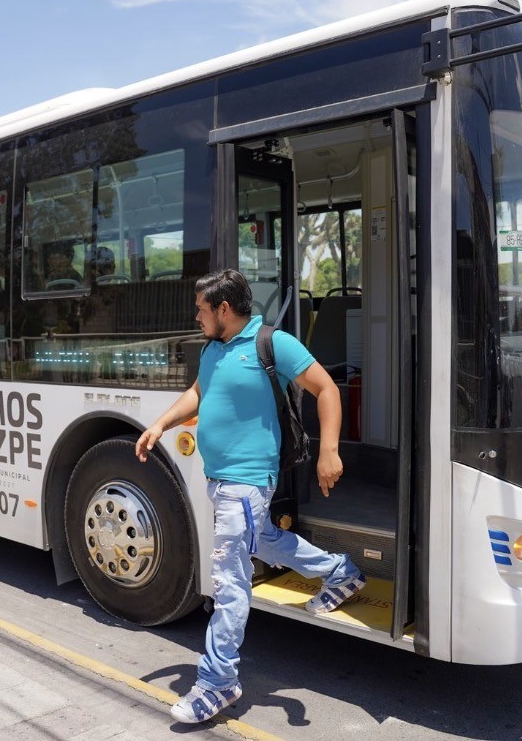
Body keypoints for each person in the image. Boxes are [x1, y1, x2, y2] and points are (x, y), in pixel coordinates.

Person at [135, 269, 365, 725]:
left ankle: (218, 682)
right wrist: (160, 424)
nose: (197, 316)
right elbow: (199, 392)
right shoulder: (213, 349)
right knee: (264, 540)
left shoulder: (272, 344)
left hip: (247, 481)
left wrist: (330, 451)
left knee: (229, 579)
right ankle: (341, 572)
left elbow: (325, 389)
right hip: (221, 481)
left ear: (224, 309)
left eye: (202, 309)